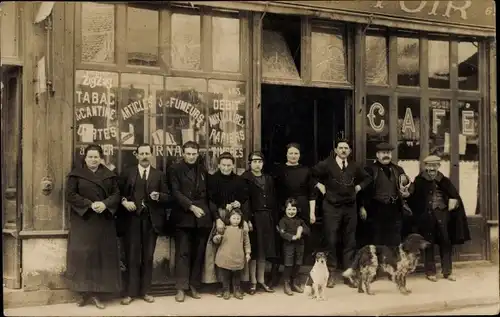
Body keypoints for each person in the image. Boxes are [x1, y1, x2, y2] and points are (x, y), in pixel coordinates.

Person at [65, 144, 122, 309]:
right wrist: (89, 204)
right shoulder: (76, 175)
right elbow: (70, 195)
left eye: (96, 157)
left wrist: (104, 204)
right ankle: (84, 294)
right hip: (83, 221)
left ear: (101, 158)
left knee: (101, 257)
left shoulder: (109, 175)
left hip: (103, 221)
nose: (93, 160)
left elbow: (116, 194)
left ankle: (97, 294)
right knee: (83, 257)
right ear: (85, 158)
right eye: (90, 157)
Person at [168, 141, 225, 302]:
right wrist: (191, 207)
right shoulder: (175, 169)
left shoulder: (203, 170)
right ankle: (180, 288)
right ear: (183, 153)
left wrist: (216, 217)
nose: (191, 156)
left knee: (198, 253)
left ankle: (193, 285)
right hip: (183, 217)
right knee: (183, 253)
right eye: (188, 153)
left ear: (198, 154)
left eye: (194, 154)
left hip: (202, 219)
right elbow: (175, 192)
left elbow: (209, 197)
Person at [311, 138, 371, 288]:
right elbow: (311, 175)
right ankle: (330, 274)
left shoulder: (354, 166)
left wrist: (358, 187)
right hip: (332, 207)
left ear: (349, 151)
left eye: (346, 148)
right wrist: (320, 186)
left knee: (350, 241)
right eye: (341, 148)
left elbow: (368, 178)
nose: (343, 150)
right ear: (336, 150)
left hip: (350, 207)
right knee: (331, 240)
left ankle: (348, 275)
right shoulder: (326, 164)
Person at [117, 144, 171, 305]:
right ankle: (130, 293)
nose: (145, 156)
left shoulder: (159, 175)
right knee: (132, 256)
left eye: (147, 153)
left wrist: (159, 196)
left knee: (148, 256)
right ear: (137, 155)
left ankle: (146, 291)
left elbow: (169, 196)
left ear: (152, 155)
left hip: (150, 220)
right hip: (132, 220)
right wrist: (124, 202)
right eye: (142, 153)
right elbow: (118, 193)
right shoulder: (128, 173)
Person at [407, 155, 470, 282]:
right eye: (429, 165)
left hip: (443, 215)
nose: (432, 168)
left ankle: (447, 272)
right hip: (427, 217)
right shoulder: (419, 181)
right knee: (428, 243)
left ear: (438, 166)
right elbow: (413, 198)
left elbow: (454, 195)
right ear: (425, 167)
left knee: (446, 242)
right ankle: (430, 272)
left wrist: (454, 201)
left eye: (434, 165)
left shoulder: (444, 180)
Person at [271, 143, 318, 287]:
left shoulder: (306, 170)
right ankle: (276, 277)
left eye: (296, 153)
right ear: (286, 154)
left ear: (300, 155)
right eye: (290, 153)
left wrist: (312, 212)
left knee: (299, 243)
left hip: (301, 209)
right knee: (282, 243)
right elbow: (274, 192)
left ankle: (295, 278)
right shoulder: (279, 170)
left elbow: (312, 193)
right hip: (283, 208)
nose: (293, 156)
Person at [203, 152, 249, 296]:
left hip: (235, 218)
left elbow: (245, 198)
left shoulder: (239, 180)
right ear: (219, 165)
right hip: (218, 215)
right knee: (216, 250)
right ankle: (219, 285)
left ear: (233, 165)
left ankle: (236, 286)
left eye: (229, 165)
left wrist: (238, 203)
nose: (226, 168)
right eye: (223, 165)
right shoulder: (212, 179)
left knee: (235, 248)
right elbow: (210, 200)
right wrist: (217, 218)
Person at [359, 142, 412, 249]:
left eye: (388, 152)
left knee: (395, 239)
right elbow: (362, 191)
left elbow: (408, 184)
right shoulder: (370, 170)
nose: (386, 155)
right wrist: (362, 207)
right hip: (377, 209)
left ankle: (392, 264)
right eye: (383, 153)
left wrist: (407, 192)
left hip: (395, 209)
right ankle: (379, 264)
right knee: (378, 239)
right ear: (377, 155)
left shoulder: (398, 170)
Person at [242, 151, 278, 295]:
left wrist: (274, 219)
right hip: (254, 218)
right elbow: (245, 201)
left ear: (263, 163)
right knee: (255, 250)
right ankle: (252, 282)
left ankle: (261, 280)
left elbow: (273, 200)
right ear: (250, 163)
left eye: (260, 161)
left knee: (264, 251)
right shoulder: (245, 178)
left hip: (267, 217)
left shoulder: (268, 179)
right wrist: (247, 219)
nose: (257, 164)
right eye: (254, 161)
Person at [213, 209, 252, 300]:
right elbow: (215, 240)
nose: (236, 220)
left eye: (238, 218)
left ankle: (236, 290)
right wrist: (217, 238)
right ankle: (226, 290)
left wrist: (248, 253)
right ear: (229, 218)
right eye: (234, 218)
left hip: (237, 257)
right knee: (225, 276)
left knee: (236, 276)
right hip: (226, 256)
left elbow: (247, 242)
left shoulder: (243, 231)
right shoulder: (224, 229)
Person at [277, 198, 310, 295]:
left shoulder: (300, 221)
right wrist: (293, 237)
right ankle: (286, 283)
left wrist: (301, 229)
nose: (291, 212)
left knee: (298, 263)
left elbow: (308, 231)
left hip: (300, 245)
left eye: (293, 209)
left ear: (297, 210)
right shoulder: (283, 221)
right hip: (289, 245)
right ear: (285, 209)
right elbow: (282, 233)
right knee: (288, 264)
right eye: (289, 209)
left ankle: (294, 282)